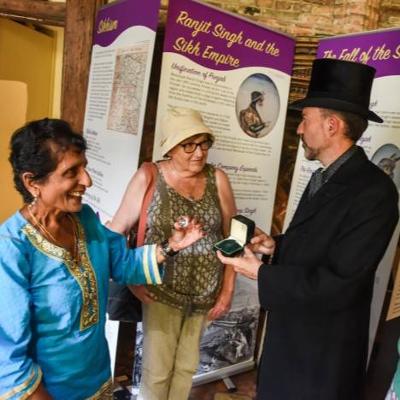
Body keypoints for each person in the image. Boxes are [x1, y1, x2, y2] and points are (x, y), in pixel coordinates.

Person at [217, 59, 399, 399]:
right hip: (291, 339)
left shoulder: (376, 193)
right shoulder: (323, 176)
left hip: (321, 356)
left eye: (305, 119)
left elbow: (340, 282)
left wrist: (259, 274)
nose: (299, 129)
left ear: (331, 126)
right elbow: (319, 242)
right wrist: (275, 247)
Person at [0, 118, 203, 399]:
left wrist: (170, 246)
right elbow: (8, 357)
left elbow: (121, 263)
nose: (87, 180)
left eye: (84, 167)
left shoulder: (83, 219)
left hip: (98, 381)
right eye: (72, 172)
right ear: (32, 182)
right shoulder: (11, 248)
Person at [109, 107, 236, 400]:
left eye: (204, 143)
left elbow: (233, 239)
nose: (198, 153)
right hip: (160, 292)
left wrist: (227, 289)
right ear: (171, 147)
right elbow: (116, 232)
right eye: (188, 145)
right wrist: (132, 279)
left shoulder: (217, 178)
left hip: (205, 293)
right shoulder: (149, 175)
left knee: (186, 369)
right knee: (158, 371)